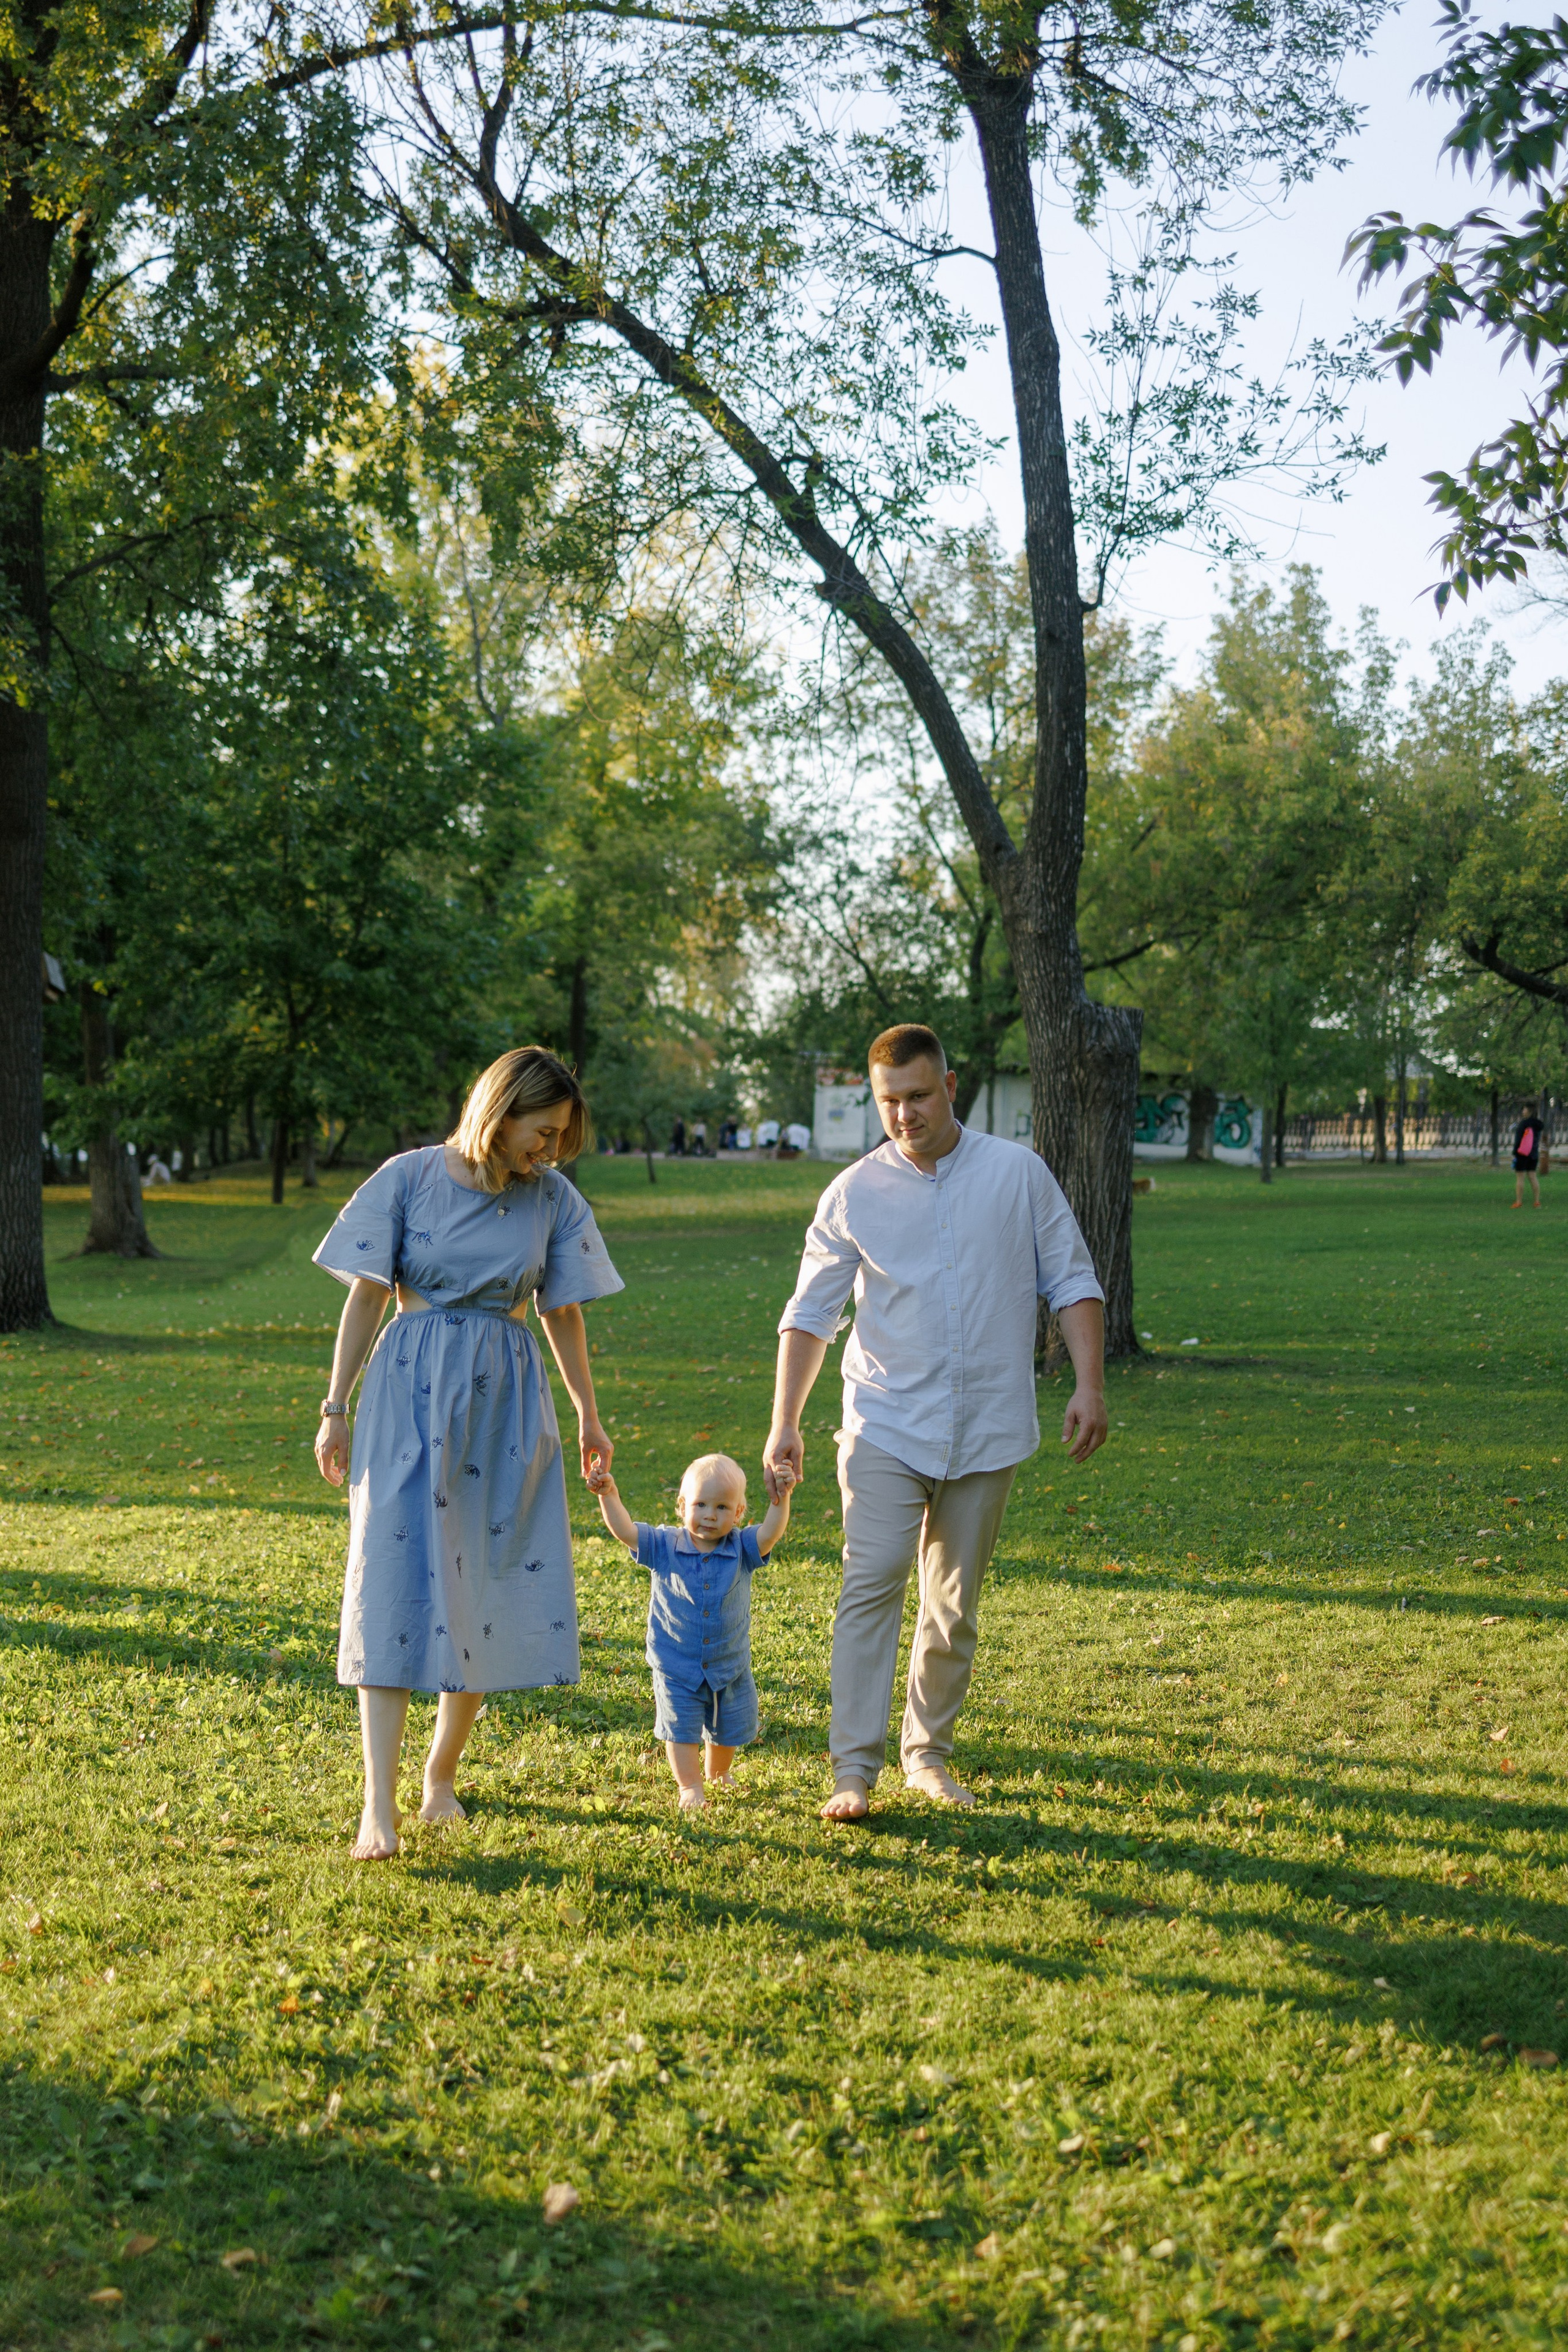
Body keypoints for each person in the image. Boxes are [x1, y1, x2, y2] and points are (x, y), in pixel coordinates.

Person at [764, 1023, 1108, 1822]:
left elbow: (1073, 1278)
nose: (905, 1115)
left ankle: (928, 1755)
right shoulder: (853, 1192)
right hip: (885, 1421)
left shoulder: (1017, 1175)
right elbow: (811, 1315)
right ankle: (853, 1768)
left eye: (918, 1096)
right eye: (889, 1101)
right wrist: (786, 1419)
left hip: (990, 1424)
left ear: (950, 1088)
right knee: (871, 1582)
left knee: (952, 1603)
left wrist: (1089, 1385)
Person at [312, 1047, 622, 1860]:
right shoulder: (408, 1178)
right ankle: (375, 1804)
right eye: (542, 1131)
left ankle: (439, 1776)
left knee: (479, 1585)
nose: (549, 1150)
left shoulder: (552, 1200)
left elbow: (563, 1312)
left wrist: (590, 1416)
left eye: (560, 1138)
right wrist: (334, 1407)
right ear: (501, 1108)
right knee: (391, 1580)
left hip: (504, 1404)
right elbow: (368, 1296)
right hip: (406, 1394)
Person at [590, 1451, 793, 1811]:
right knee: (680, 1728)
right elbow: (625, 1531)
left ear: (739, 1513)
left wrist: (783, 1496)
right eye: (701, 1504)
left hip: (727, 1662)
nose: (710, 1516)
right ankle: (689, 1786)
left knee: (728, 1725)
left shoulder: (741, 1548)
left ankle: (718, 1773)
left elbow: (771, 1533)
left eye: (722, 1508)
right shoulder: (664, 1545)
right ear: (682, 1506)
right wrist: (610, 1495)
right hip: (677, 1664)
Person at [1512, 1106, 1544, 1207]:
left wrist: (1515, 1153)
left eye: (1525, 1109)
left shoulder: (1524, 1124)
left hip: (1522, 1154)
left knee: (1520, 1178)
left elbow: (1518, 1140)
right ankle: (1537, 1201)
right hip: (1534, 1154)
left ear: (1530, 1111)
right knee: (1533, 1176)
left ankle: (1519, 1202)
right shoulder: (1538, 1125)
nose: (1523, 1111)